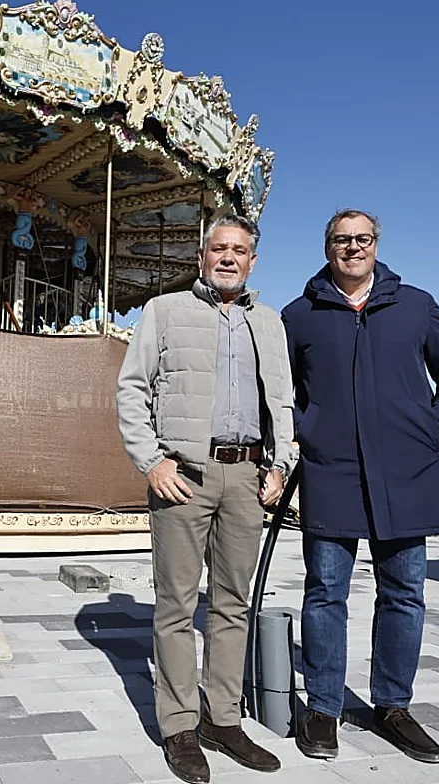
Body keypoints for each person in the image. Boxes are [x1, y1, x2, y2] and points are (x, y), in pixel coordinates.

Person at [281, 209, 439, 764]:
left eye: (362, 239)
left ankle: (393, 706)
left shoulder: (415, 304)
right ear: (326, 247)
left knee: (405, 593)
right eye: (342, 240)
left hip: (407, 473)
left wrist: (437, 423)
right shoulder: (301, 315)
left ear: (376, 244)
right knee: (324, 593)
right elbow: (280, 390)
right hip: (333, 472)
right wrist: (308, 428)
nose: (352, 248)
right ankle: (322, 706)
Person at [117, 213, 294, 783]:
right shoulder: (163, 312)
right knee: (174, 605)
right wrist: (151, 460)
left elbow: (283, 404)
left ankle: (222, 717)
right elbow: (132, 389)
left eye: (239, 251)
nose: (228, 258)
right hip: (184, 476)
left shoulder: (268, 322)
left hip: (247, 478)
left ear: (252, 261)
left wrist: (281, 465)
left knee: (232, 603)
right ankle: (178, 726)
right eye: (219, 249)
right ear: (201, 256)